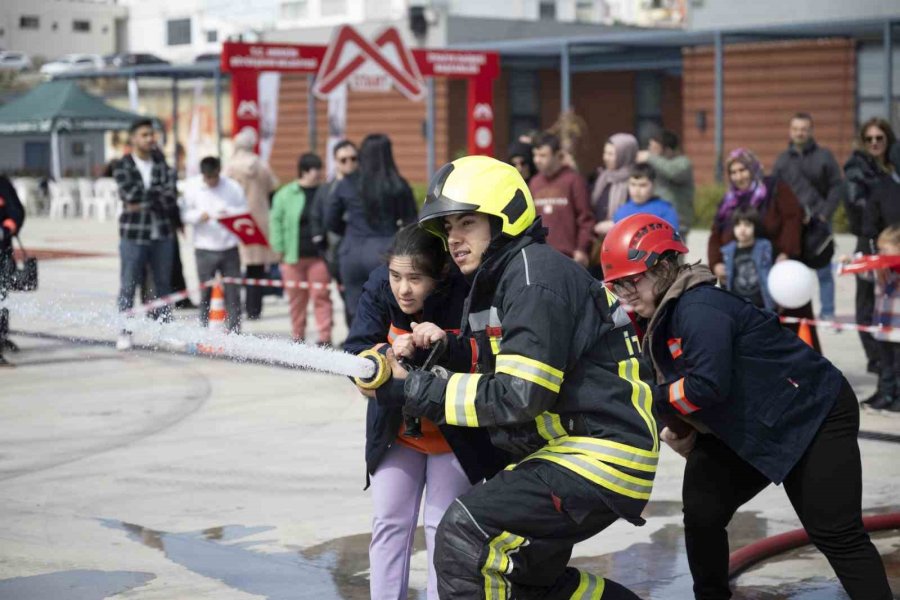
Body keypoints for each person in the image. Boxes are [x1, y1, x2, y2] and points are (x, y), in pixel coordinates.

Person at [380, 155, 657, 599]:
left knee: (466, 534)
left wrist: (415, 388)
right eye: (448, 228)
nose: (453, 239)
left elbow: (520, 394)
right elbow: (505, 360)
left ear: (504, 217)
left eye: (466, 222)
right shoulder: (506, 276)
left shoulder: (533, 276)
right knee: (529, 582)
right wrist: (443, 352)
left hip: (598, 454)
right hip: (570, 451)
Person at [599, 213, 892, 600]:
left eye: (631, 280)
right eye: (617, 284)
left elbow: (706, 385)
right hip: (753, 421)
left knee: (836, 533)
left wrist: (649, 399)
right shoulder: (662, 316)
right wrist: (677, 422)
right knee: (703, 510)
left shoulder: (699, 308)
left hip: (812, 415)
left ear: (664, 266)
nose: (624, 293)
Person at [345, 224, 505, 600]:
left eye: (415, 279)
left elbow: (494, 356)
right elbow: (356, 352)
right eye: (396, 276)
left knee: (442, 528)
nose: (403, 289)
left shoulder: (467, 291)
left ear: (440, 275)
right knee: (389, 523)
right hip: (397, 433)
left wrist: (447, 345)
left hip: (456, 435)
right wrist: (386, 357)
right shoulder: (378, 289)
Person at [708, 148, 821, 353]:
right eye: (733, 172)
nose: (738, 176)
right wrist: (715, 263)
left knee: (793, 333)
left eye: (743, 170)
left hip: (781, 273)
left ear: (753, 168)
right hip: (743, 283)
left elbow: (793, 218)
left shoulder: (774, 188)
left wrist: (786, 253)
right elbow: (716, 233)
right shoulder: (729, 201)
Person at [326, 134, 417, 325]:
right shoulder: (397, 184)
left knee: (355, 311)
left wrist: (348, 232)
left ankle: (356, 342)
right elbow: (412, 222)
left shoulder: (347, 183)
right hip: (385, 249)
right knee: (386, 311)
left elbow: (330, 220)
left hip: (352, 250)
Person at [844, 118, 898, 403]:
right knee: (867, 315)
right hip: (872, 246)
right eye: (869, 139)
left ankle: (892, 384)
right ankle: (882, 375)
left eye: (880, 138)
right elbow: (856, 208)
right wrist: (875, 257)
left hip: (893, 249)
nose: (875, 143)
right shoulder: (858, 168)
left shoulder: (893, 171)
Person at [113, 118, 178, 351]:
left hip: (162, 233)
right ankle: (124, 331)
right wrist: (154, 197)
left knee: (163, 285)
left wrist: (143, 201)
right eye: (145, 135)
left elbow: (170, 195)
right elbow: (129, 194)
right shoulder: (123, 165)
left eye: (152, 134)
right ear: (133, 139)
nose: (150, 139)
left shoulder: (162, 165)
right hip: (134, 234)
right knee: (128, 285)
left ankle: (164, 330)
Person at [771, 113, 843, 321]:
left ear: (811, 131)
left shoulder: (824, 156)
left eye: (803, 129)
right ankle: (796, 313)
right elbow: (775, 191)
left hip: (819, 223)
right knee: (793, 270)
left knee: (823, 269)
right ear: (790, 131)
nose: (799, 133)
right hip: (793, 226)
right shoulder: (782, 161)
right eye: (795, 129)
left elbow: (837, 187)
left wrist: (825, 214)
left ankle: (828, 313)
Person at [270, 153, 333, 344]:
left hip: (319, 256)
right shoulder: (286, 194)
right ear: (304, 171)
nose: (320, 173)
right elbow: (275, 221)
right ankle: (298, 335)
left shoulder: (325, 192)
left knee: (321, 296)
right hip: (292, 257)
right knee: (296, 300)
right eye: (316, 169)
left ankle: (324, 337)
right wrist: (278, 247)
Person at [181, 156, 248, 334]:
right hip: (204, 247)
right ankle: (204, 329)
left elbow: (244, 210)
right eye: (207, 177)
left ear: (219, 172)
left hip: (229, 246)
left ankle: (234, 330)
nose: (211, 181)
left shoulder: (232, 187)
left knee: (233, 292)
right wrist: (198, 216)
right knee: (205, 291)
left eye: (214, 177)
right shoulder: (192, 187)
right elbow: (184, 214)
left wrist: (227, 213)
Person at [224, 127, 280, 320]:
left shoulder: (230, 167)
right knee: (256, 268)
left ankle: (232, 307)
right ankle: (254, 309)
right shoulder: (261, 165)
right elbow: (273, 186)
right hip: (259, 220)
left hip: (235, 220)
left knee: (231, 266)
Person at [528, 132, 595, 266]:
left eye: (543, 155)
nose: (537, 160)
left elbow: (585, 218)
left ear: (557, 155)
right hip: (540, 256)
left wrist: (582, 249)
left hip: (569, 257)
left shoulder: (574, 180)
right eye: (535, 155)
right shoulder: (534, 183)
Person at [311, 140, 358, 329]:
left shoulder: (365, 186)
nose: (349, 163)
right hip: (336, 253)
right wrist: (319, 241)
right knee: (346, 297)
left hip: (361, 250)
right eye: (344, 160)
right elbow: (316, 215)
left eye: (353, 158)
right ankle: (352, 335)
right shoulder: (327, 189)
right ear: (336, 162)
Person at [640, 129, 695, 240]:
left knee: (672, 251)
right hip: (654, 221)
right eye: (649, 147)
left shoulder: (682, 163)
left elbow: (672, 172)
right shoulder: (654, 164)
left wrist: (650, 158)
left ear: (668, 150)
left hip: (677, 223)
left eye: (654, 148)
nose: (650, 151)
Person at [868, 225, 900, 411]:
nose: (881, 254)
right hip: (882, 329)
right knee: (885, 365)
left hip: (898, 331)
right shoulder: (881, 269)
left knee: (898, 367)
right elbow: (865, 270)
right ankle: (886, 394)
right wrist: (850, 261)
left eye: (885, 250)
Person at [719, 206, 774, 311]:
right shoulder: (728, 251)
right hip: (737, 304)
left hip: (760, 305)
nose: (742, 229)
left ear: (755, 227)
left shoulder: (764, 247)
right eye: (738, 225)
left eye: (747, 225)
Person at [591, 132, 638, 237]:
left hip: (623, 238)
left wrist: (614, 225)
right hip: (598, 238)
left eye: (611, 154)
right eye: (605, 153)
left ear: (625, 155)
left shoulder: (636, 181)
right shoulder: (603, 177)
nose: (605, 158)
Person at [0, 175, 25, 366]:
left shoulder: (2, 184)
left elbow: (17, 211)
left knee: (1, 298)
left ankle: (1, 337)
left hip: (1, 251)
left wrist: (8, 227)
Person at [612, 162, 679, 229]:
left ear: (653, 185)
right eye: (633, 184)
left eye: (642, 185)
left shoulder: (665, 211)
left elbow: (672, 234)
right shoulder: (621, 212)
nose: (637, 190)